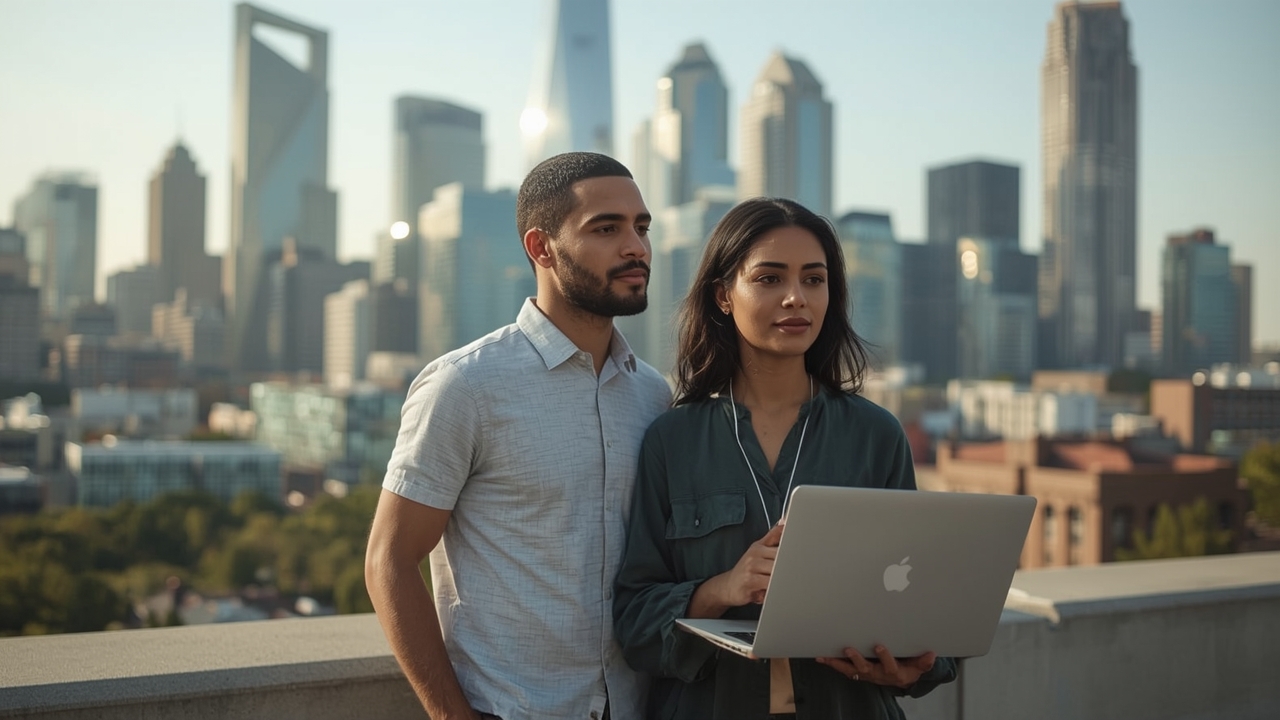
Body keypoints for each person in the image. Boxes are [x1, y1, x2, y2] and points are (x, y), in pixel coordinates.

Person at [612, 197, 957, 719]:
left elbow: (921, 604)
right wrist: (722, 588)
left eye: (813, 280)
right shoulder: (672, 440)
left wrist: (916, 666)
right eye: (770, 279)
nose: (797, 298)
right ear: (724, 296)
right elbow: (635, 621)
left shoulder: (875, 436)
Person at [365, 152, 672, 720]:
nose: (636, 247)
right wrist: (451, 715)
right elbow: (389, 559)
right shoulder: (466, 384)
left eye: (642, 226)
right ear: (542, 247)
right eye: (606, 228)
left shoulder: (654, 396)